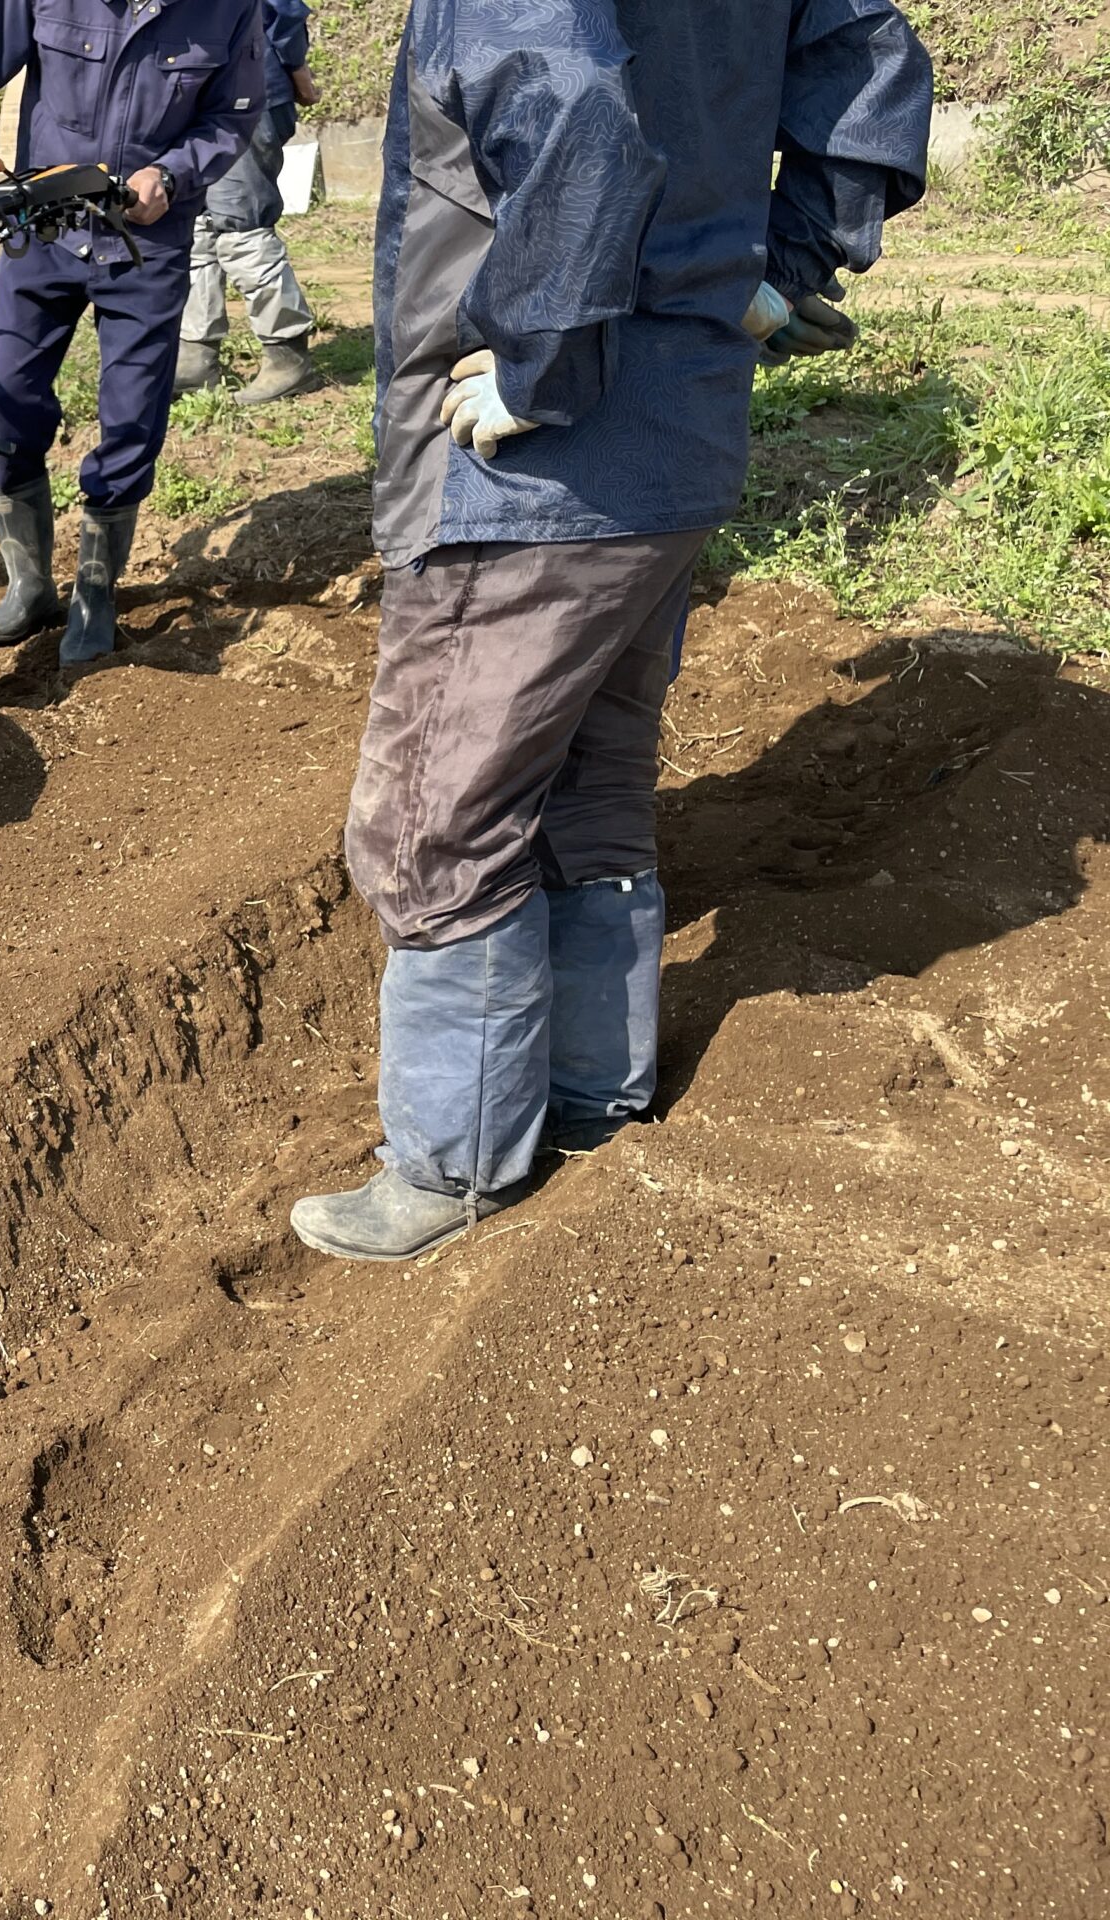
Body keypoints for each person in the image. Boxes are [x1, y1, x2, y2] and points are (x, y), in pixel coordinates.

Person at [288, 0, 933, 1263]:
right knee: (590, 777)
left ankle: (457, 1165)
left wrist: (537, 361)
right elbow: (871, 66)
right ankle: (595, 1092)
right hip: (679, 438)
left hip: (531, 474)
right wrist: (778, 270)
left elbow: (576, 114)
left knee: (435, 818)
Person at [0, 0, 264, 668]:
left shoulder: (226, 9)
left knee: (131, 418)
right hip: (42, 229)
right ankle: (32, 585)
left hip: (145, 242)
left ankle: (96, 591)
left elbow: (234, 114)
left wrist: (173, 171)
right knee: (5, 407)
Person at [178, 0, 322, 406]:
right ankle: (196, 352)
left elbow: (286, 11)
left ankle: (288, 355)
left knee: (241, 227)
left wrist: (297, 69)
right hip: (191, 93)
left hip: (245, 93)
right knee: (199, 225)